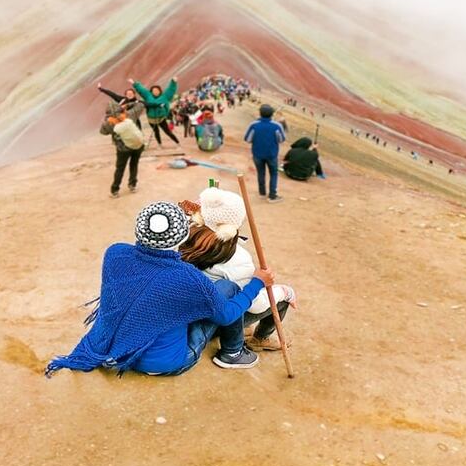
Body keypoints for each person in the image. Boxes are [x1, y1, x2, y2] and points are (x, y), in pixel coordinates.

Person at [45, 202, 275, 376]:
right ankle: (233, 353)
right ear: (184, 235)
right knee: (226, 288)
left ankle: (231, 351)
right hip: (162, 363)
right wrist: (257, 282)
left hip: (115, 349)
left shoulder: (115, 253)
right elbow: (227, 316)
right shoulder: (187, 277)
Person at [179, 188, 296, 351]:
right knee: (280, 297)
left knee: (227, 292)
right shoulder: (237, 258)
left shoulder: (181, 234)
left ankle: (242, 330)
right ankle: (259, 339)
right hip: (212, 321)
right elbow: (256, 305)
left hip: (185, 314)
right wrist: (284, 292)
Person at [100, 99, 145, 198]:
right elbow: (141, 105)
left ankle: (115, 190)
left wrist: (106, 119)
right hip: (137, 145)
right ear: (120, 108)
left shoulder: (109, 122)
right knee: (134, 164)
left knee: (120, 168)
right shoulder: (129, 115)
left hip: (122, 148)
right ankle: (132, 185)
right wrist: (127, 105)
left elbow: (103, 132)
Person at [245, 104, 286, 202]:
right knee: (273, 174)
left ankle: (262, 193)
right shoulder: (277, 126)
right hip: (271, 155)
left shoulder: (254, 125)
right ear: (272, 114)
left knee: (261, 173)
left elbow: (247, 139)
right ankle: (272, 196)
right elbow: (281, 139)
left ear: (260, 113)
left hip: (257, 154)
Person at [132, 78, 180, 147]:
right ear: (151, 91)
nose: (155, 92)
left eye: (157, 90)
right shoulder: (148, 96)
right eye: (154, 90)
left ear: (160, 91)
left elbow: (170, 90)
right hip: (151, 119)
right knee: (156, 132)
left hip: (161, 118)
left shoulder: (165, 96)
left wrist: (173, 82)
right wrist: (135, 84)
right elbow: (142, 90)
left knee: (167, 131)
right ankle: (159, 144)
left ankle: (177, 143)